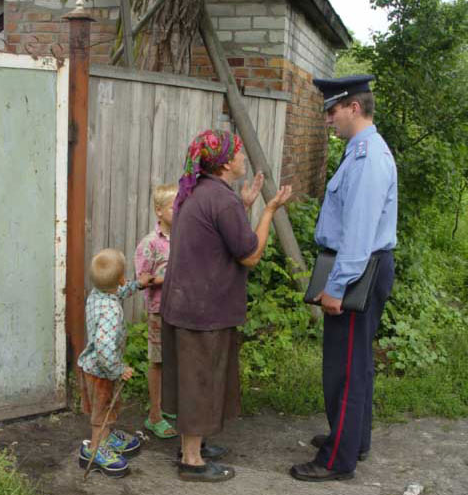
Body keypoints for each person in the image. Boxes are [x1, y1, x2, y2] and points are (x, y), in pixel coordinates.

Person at [160, 129, 292, 482]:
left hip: (185, 303)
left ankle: (192, 447)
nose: (242, 157)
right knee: (200, 381)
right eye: (238, 152)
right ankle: (192, 461)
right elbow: (249, 254)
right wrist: (269, 210)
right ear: (223, 164)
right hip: (203, 309)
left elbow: (218, 235)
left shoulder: (194, 190)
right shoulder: (220, 199)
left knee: (192, 378)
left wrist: (244, 206)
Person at [290, 75, 398, 482]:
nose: (327, 119)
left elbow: (359, 231)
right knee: (357, 363)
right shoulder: (360, 152)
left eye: (332, 110)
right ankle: (353, 440)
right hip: (360, 267)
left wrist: (336, 286)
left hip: (357, 270)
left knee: (346, 369)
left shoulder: (367, 158)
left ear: (354, 107)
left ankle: (337, 459)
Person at [78, 248, 152, 478]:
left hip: (93, 367)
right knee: (101, 415)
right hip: (102, 372)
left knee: (104, 410)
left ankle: (106, 438)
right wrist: (118, 369)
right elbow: (104, 347)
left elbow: (118, 292)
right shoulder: (110, 310)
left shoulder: (98, 294)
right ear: (120, 278)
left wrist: (138, 285)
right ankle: (94, 451)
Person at [135, 184, 178, 439]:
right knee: (158, 362)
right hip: (159, 311)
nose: (179, 210)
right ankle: (154, 416)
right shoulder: (150, 244)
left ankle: (168, 407)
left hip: (182, 309)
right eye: (174, 206)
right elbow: (142, 280)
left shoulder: (184, 238)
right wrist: (168, 277)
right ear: (159, 211)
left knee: (176, 360)